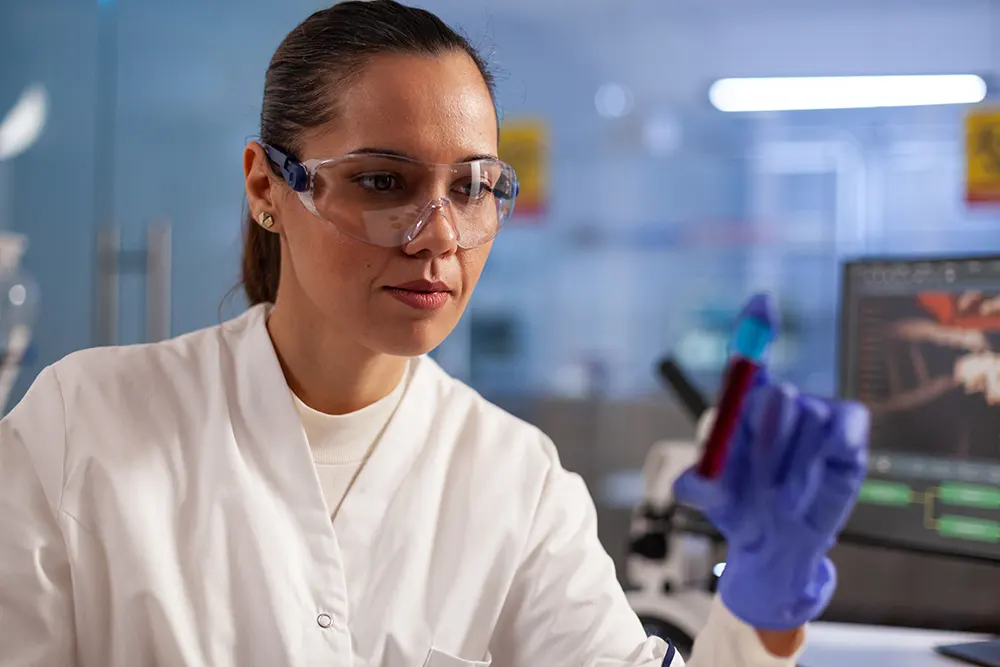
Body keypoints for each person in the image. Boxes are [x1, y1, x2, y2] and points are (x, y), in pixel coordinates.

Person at [0, 2, 869, 666]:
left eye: (472, 186)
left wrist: (763, 605)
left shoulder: (516, 479)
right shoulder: (83, 422)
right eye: (384, 181)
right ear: (266, 188)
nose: (439, 237)